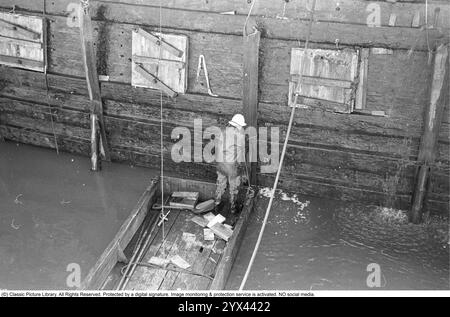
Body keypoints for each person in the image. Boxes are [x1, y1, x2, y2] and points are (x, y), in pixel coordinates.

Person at [214, 114, 247, 213]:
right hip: (232, 167)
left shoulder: (222, 132)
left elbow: (217, 147)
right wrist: (242, 169)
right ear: (238, 125)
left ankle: (217, 204)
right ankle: (234, 208)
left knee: (220, 184)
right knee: (234, 187)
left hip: (220, 164)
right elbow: (241, 156)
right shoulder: (240, 136)